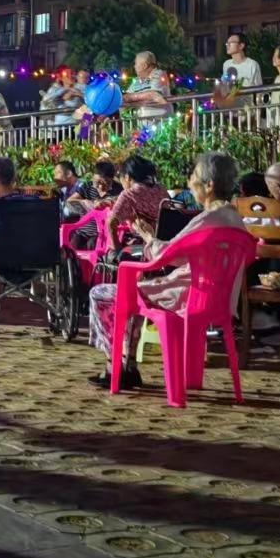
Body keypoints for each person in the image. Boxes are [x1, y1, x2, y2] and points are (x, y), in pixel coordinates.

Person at [84, 152, 249, 390]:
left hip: (187, 295)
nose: (189, 181)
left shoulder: (207, 220)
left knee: (103, 294)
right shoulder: (234, 218)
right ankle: (127, 365)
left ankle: (116, 366)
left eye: (193, 176)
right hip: (219, 299)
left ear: (209, 185)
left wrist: (147, 236)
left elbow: (166, 255)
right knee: (132, 292)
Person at [104, 155, 170, 248]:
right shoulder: (160, 189)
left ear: (127, 177)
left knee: (110, 253)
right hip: (168, 242)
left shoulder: (129, 195)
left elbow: (111, 223)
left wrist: (117, 249)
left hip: (146, 245)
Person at [123, 51, 172, 124]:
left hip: (161, 124)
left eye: (136, 63)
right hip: (144, 125)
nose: (134, 66)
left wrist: (131, 97)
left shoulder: (160, 74)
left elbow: (153, 94)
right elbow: (126, 96)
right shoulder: (137, 80)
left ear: (144, 66)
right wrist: (130, 97)